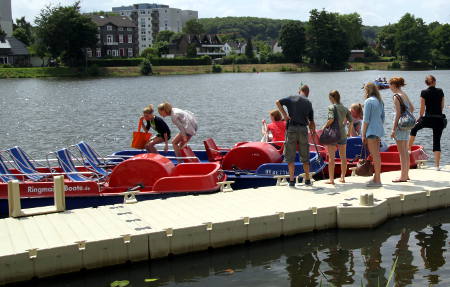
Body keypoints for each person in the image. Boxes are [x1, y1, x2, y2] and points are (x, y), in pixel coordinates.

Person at [276, 85, 316, 187]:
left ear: (299, 91)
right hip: (303, 129)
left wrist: (284, 115)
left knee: (290, 155)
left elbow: (278, 102)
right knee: (305, 155)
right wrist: (313, 130)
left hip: (292, 129)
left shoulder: (291, 97)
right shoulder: (308, 103)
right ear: (308, 92)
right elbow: (311, 121)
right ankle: (307, 179)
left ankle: (292, 180)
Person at [409, 75, 446, 170]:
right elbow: (442, 106)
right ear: (434, 81)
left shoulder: (424, 92)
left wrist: (419, 118)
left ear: (426, 83)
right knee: (436, 141)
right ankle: (437, 166)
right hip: (439, 119)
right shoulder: (440, 91)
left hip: (428, 119)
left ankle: (408, 149)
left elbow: (422, 109)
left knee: (414, 129)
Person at [322, 90, 353, 184]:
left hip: (333, 135)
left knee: (331, 158)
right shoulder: (344, 108)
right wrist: (349, 132)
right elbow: (351, 121)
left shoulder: (331, 107)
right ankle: (342, 177)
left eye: (329, 98)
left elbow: (331, 119)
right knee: (343, 157)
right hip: (343, 134)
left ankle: (331, 180)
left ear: (332, 98)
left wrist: (324, 126)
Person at [389, 77, 415, 182]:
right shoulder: (404, 94)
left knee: (402, 152)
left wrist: (393, 129)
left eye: (389, 84)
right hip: (407, 125)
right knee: (405, 150)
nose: (389, 87)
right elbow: (412, 109)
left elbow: (398, 114)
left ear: (394, 85)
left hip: (400, 125)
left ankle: (403, 176)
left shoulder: (396, 96)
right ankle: (406, 174)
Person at [362, 82, 385, 187]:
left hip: (371, 131)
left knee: (374, 155)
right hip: (378, 130)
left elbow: (366, 120)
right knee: (377, 155)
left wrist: (363, 134)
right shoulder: (380, 101)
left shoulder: (368, 101)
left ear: (367, 90)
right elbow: (383, 118)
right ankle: (376, 177)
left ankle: (378, 181)